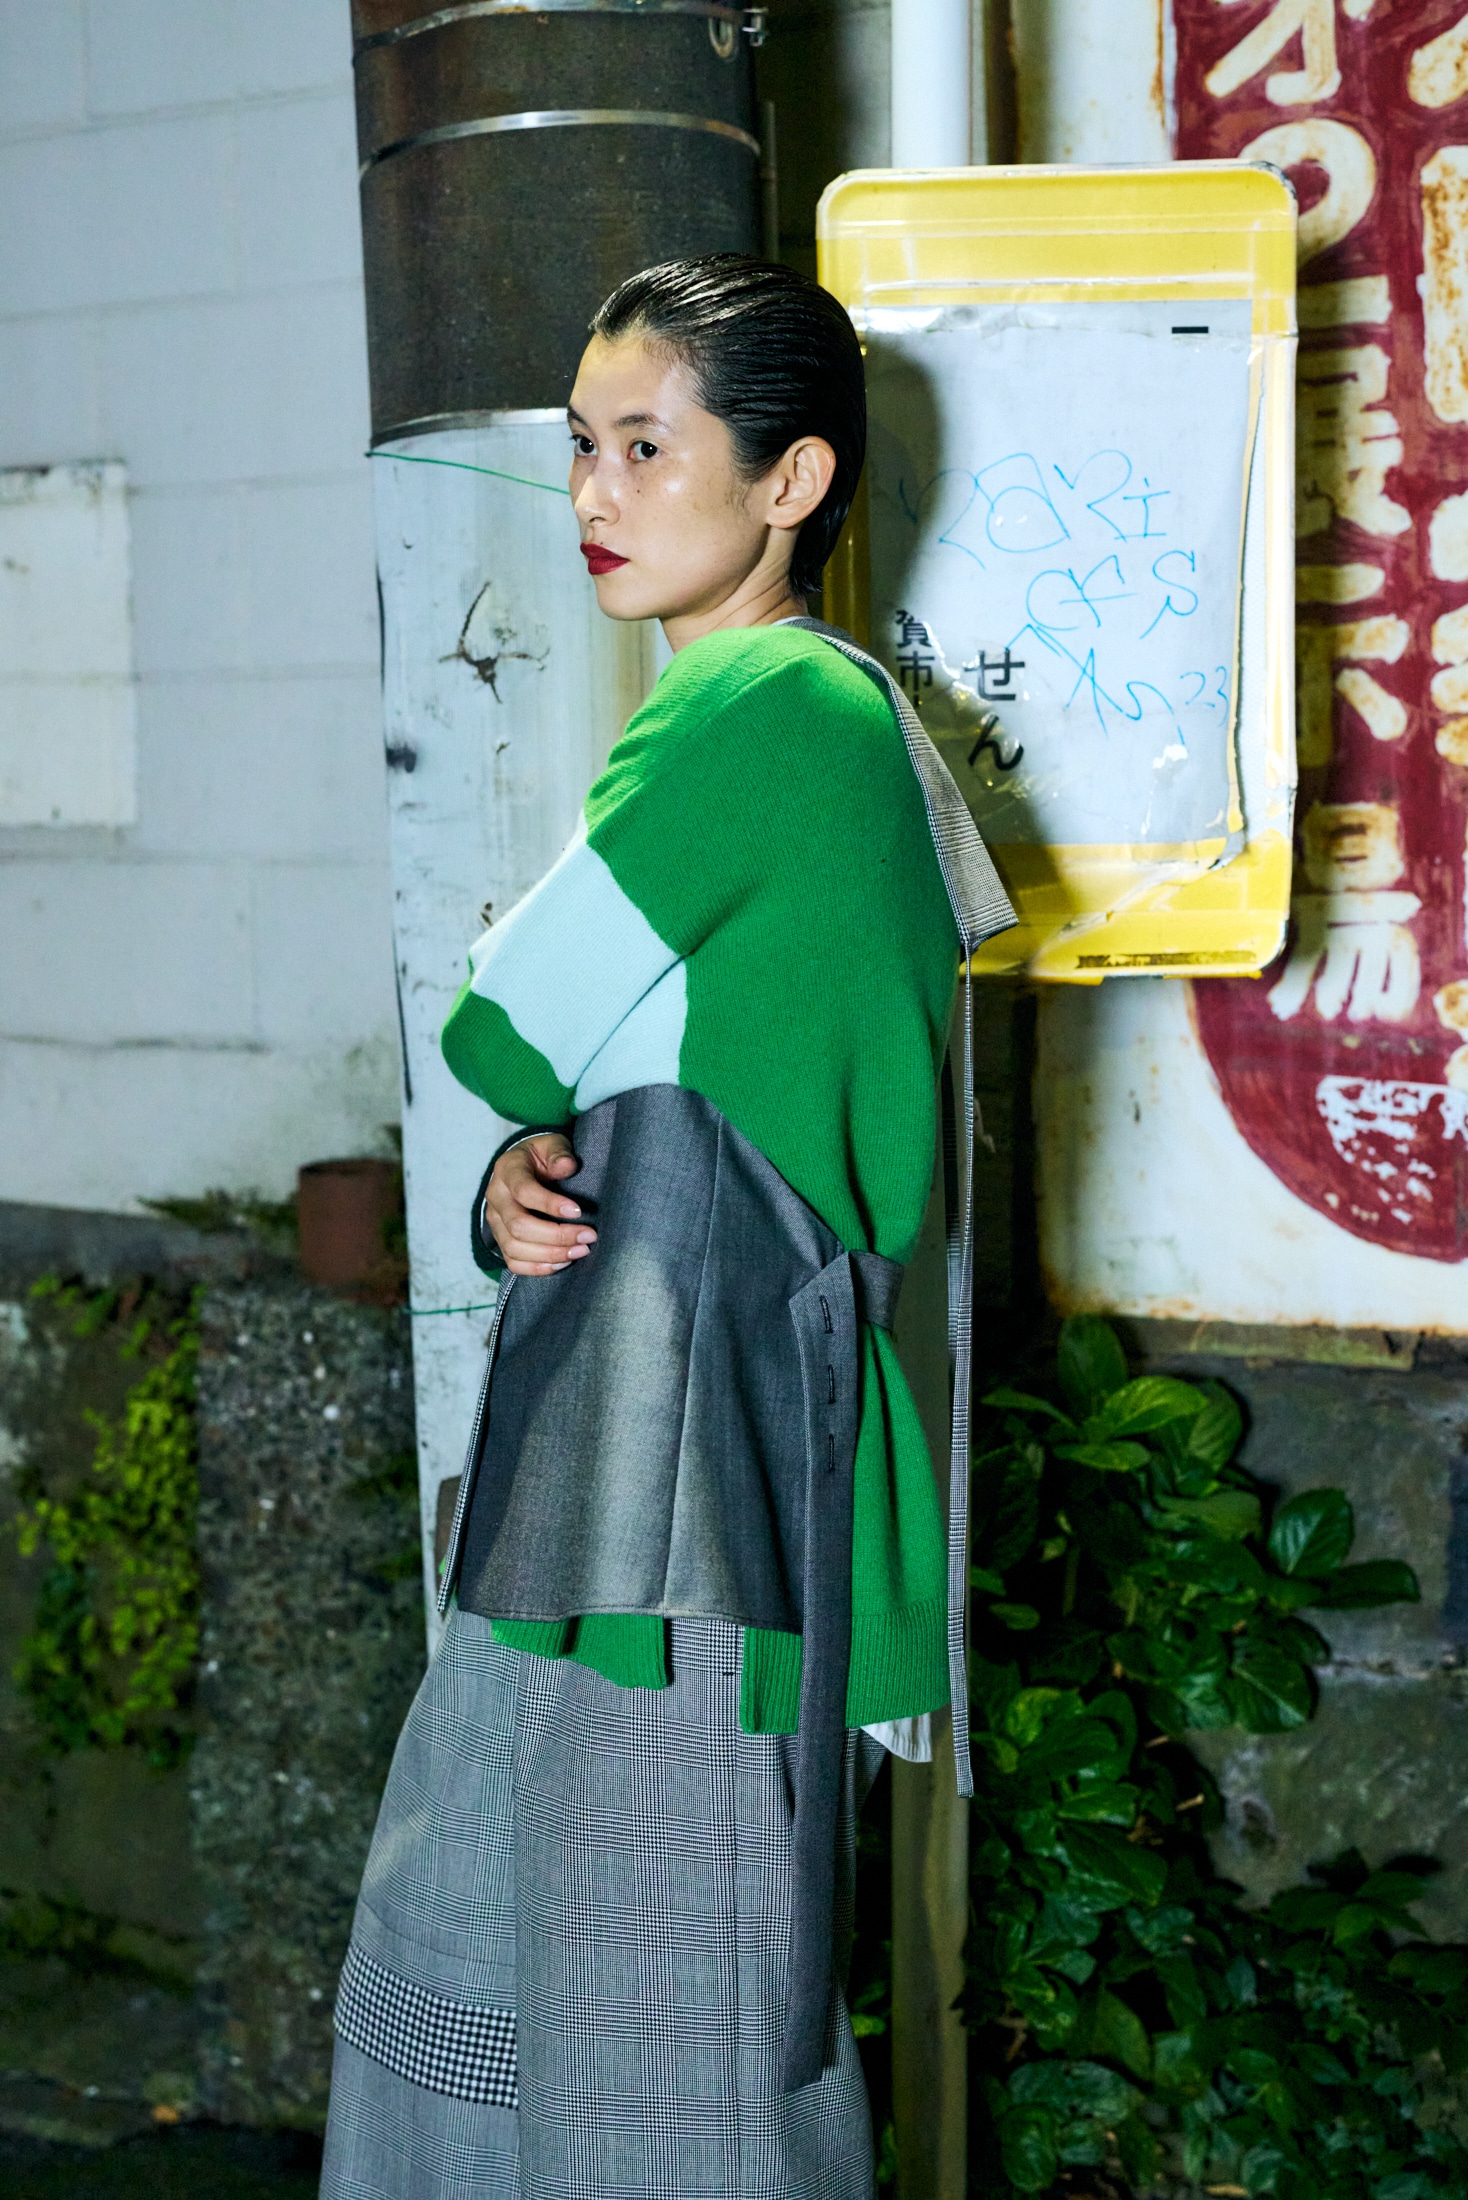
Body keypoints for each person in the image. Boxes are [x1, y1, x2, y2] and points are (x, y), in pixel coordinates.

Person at [320, 254, 1012, 2200]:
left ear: (790, 481)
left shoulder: (766, 704)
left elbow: (501, 1023)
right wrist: (521, 1180)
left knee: (656, 2003)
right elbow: (633, 1088)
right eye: (581, 446)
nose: (595, 493)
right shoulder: (820, 711)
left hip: (687, 1471)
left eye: (646, 446)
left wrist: (528, 1099)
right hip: (655, 1424)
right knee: (577, 1955)